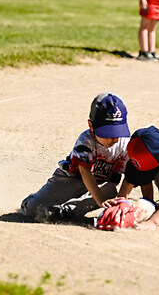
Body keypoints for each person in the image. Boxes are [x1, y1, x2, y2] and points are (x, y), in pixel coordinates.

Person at [20, 92, 131, 223]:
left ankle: (65, 211)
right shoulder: (86, 140)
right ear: (91, 126)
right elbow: (84, 171)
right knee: (32, 210)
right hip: (70, 180)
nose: (114, 138)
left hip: (100, 184)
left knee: (110, 191)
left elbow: (131, 174)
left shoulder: (124, 144)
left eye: (118, 132)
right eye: (108, 133)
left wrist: (122, 199)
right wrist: (100, 201)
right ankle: (32, 200)